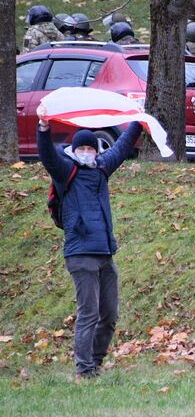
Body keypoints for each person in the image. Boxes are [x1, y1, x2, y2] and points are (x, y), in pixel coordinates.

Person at [36, 118, 143, 379]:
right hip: (80, 254)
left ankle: (95, 363)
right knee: (89, 314)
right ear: (75, 150)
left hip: (105, 253)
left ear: (96, 151)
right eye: (82, 149)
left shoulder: (102, 168)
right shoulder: (65, 171)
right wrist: (43, 128)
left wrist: (139, 120)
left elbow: (122, 146)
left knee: (109, 314)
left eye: (91, 149)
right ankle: (84, 371)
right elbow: (48, 155)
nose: (87, 153)